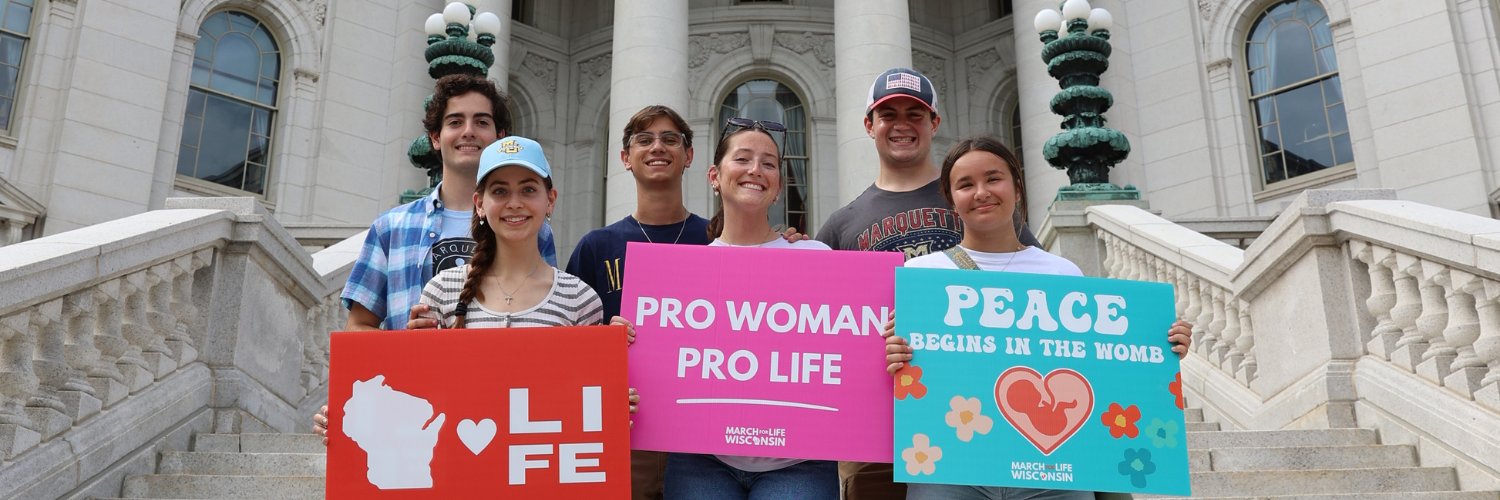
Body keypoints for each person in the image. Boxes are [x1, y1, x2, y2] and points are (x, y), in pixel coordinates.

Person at [880, 137, 1192, 500]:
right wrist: (893, 357)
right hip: (951, 470)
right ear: (951, 199)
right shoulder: (921, 275)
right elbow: (900, 383)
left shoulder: (1061, 273)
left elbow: (1099, 367)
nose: (981, 192)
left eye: (993, 179)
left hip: (1052, 474)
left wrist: (1160, 345)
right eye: (965, 184)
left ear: (1016, 185)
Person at [315, 136, 637, 443]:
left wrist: (615, 396)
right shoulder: (441, 291)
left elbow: (588, 406)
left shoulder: (581, 299)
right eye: (500, 191)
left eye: (528, 189)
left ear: (549, 200)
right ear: (480, 204)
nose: (514, 203)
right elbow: (416, 400)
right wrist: (348, 419)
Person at [820, 66, 1047, 500]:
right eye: (888, 114)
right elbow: (810, 321)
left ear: (934, 124)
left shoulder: (974, 201)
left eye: (915, 114)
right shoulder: (840, 225)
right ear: (869, 125)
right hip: (876, 431)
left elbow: (1040, 286)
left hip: (974, 418)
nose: (902, 124)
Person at [661, 119, 837, 500]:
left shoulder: (816, 258)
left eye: (770, 163)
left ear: (778, 186)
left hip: (799, 463)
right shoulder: (680, 276)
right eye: (743, 159)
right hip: (700, 461)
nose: (756, 170)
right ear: (714, 175)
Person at [341, 73, 556, 332]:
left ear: (499, 137)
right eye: (455, 122)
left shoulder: (530, 225)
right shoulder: (391, 227)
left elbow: (546, 314)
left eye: (481, 122)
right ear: (435, 137)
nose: (468, 132)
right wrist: (407, 346)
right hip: (414, 372)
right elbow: (358, 327)